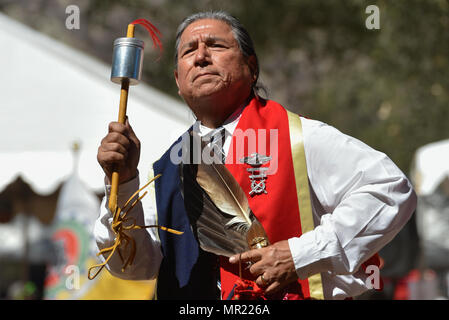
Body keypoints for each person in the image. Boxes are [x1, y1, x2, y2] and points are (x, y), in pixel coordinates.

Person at [94, 11, 417, 300]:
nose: (201, 56)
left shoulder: (299, 137)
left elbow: (389, 189)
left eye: (216, 46)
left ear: (251, 67)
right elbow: (134, 267)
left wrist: (300, 254)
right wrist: (122, 183)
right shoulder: (167, 167)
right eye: (188, 51)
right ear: (178, 82)